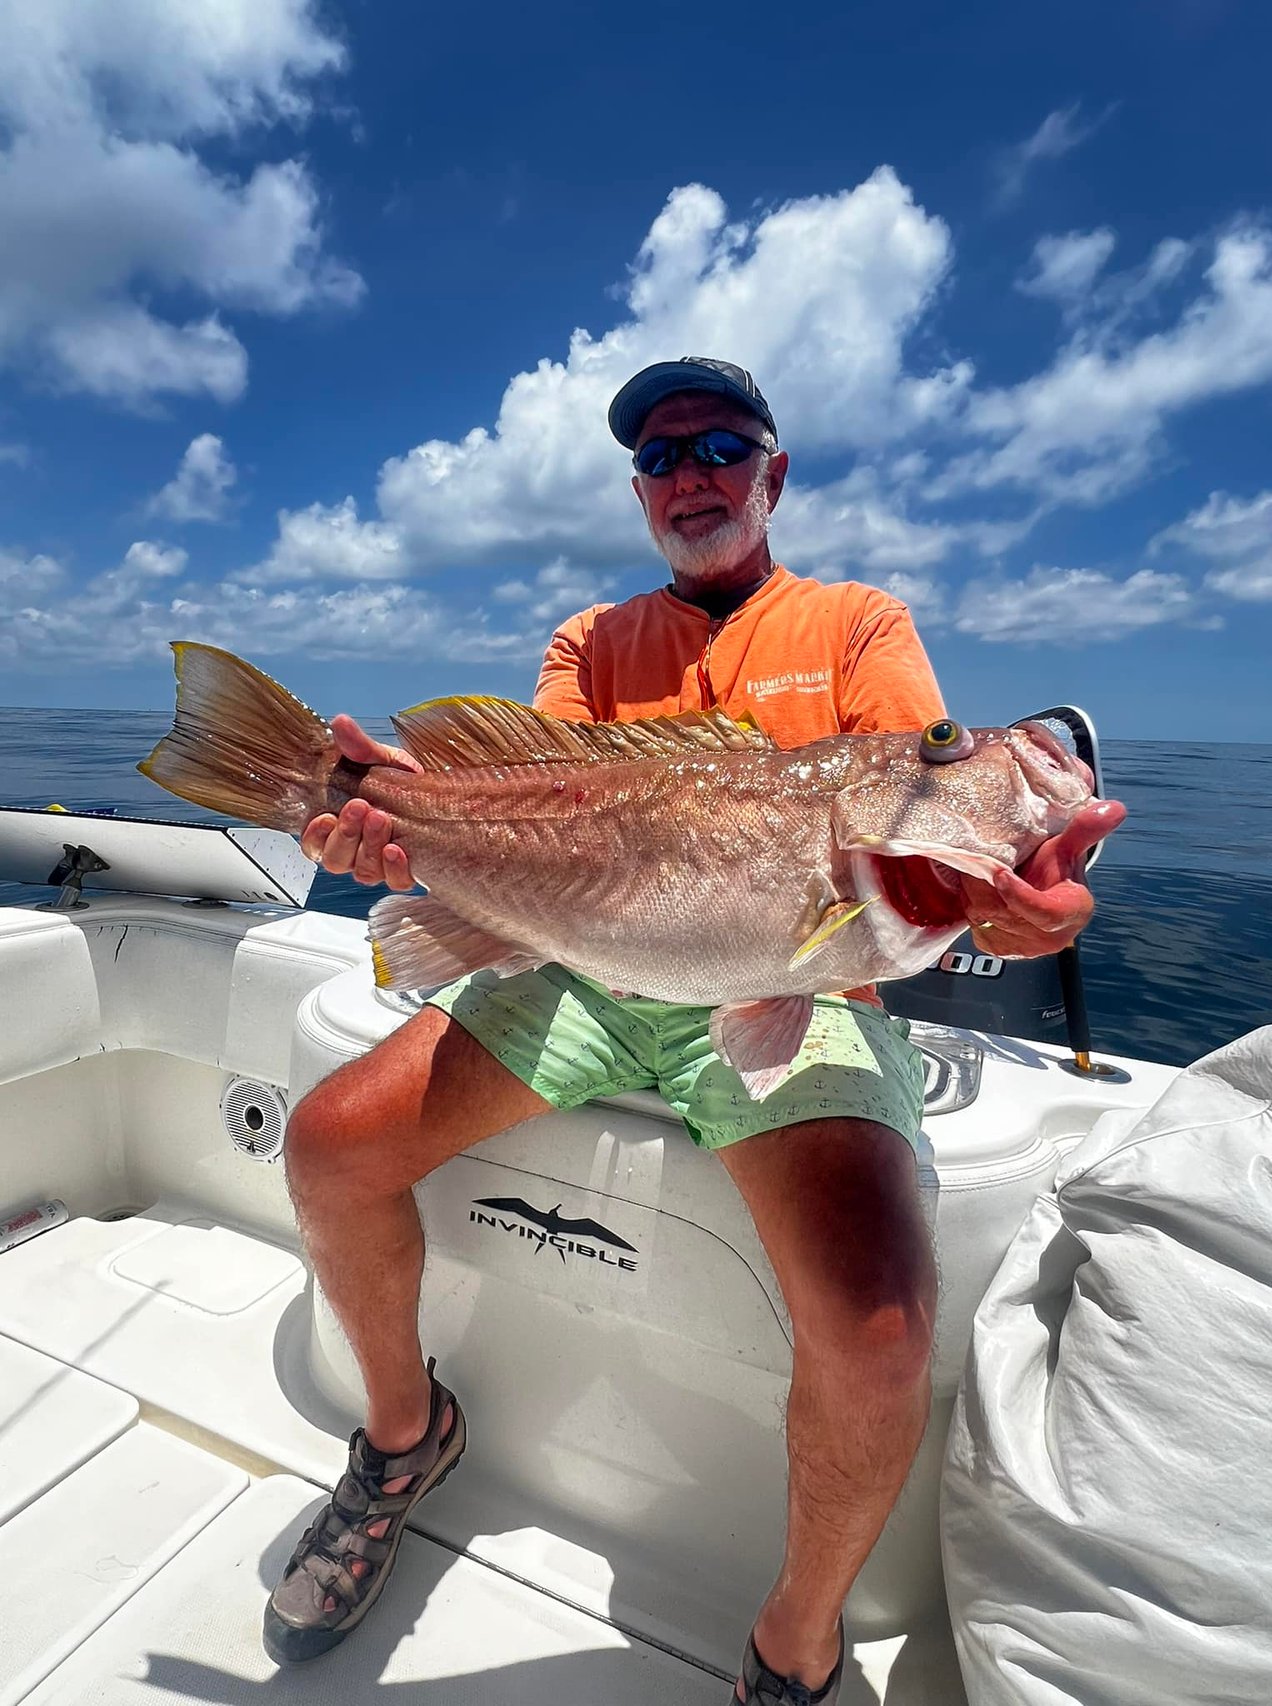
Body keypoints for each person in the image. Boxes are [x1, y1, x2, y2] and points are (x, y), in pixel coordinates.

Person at [264, 357, 1119, 1702]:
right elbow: (529, 814)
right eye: (663, 459)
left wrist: (1036, 904)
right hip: (594, 976)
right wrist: (400, 830)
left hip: (813, 984)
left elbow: (936, 807)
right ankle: (404, 1433)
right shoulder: (589, 644)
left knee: (882, 1325)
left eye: (722, 444)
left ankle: (797, 1643)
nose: (693, 475)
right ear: (640, 493)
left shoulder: (853, 625)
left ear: (774, 475)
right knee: (328, 1143)